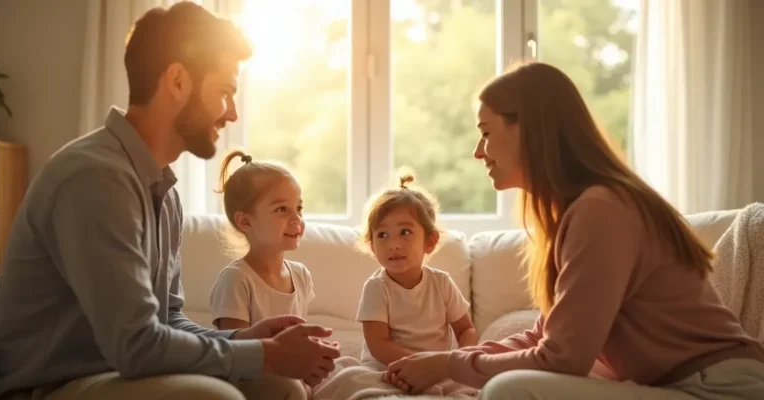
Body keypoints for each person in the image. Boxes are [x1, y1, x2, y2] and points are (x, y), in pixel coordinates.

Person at [0, 3, 339, 400]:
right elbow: (137, 346)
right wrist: (260, 353)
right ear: (177, 81)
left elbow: (167, 319)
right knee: (217, 397)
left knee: (281, 386)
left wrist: (243, 338)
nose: (232, 114)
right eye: (224, 92)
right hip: (52, 386)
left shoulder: (162, 191)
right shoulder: (95, 178)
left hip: (116, 372)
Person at [384, 61, 764, 399]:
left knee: (508, 390)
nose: (478, 151)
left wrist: (449, 366)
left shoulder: (601, 209)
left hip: (718, 388)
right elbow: (543, 338)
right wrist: (445, 361)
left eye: (485, 131)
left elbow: (563, 359)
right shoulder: (582, 210)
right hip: (677, 385)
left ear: (528, 130)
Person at [355, 171, 478, 396]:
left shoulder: (441, 283)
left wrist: (459, 360)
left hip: (435, 370)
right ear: (372, 246)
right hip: (387, 368)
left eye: (405, 232)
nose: (393, 244)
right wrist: (415, 366)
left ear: (429, 242)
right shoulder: (376, 287)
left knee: (471, 391)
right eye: (382, 235)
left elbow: (466, 329)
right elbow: (378, 344)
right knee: (356, 383)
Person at [208, 150, 320, 399]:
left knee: (343, 373)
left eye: (298, 208)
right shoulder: (236, 279)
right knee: (291, 388)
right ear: (245, 222)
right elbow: (236, 351)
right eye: (282, 209)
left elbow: (301, 338)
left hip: (290, 373)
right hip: (251, 378)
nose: (296, 219)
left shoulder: (301, 275)